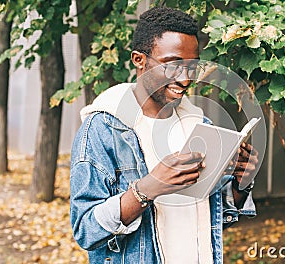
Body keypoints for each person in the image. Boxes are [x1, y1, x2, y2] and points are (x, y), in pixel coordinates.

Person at [70, 7, 259, 264]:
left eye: (192, 66)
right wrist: (148, 188)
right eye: (172, 65)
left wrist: (240, 184)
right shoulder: (103, 128)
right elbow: (85, 229)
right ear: (139, 60)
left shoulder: (198, 125)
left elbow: (208, 218)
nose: (184, 79)